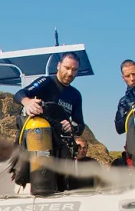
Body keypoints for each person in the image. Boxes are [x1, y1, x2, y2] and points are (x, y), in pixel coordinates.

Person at [13, 52, 85, 188]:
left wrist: (72, 126)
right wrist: (28, 102)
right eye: (67, 68)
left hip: (61, 145)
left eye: (74, 70)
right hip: (40, 140)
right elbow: (19, 94)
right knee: (41, 182)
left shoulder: (76, 95)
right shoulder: (46, 82)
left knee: (62, 183)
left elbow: (80, 124)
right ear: (59, 66)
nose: (70, 73)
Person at [114, 59, 135, 164]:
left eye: (134, 74)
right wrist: (130, 109)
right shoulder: (124, 101)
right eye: (128, 76)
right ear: (123, 78)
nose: (132, 78)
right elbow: (119, 129)